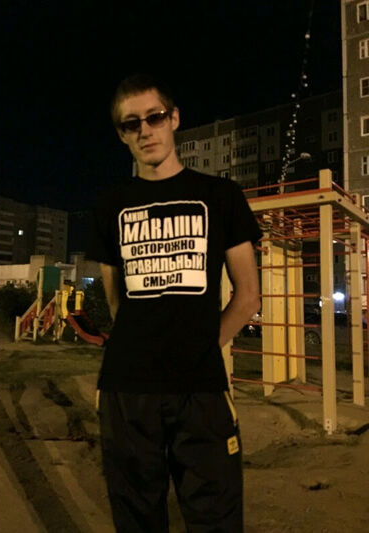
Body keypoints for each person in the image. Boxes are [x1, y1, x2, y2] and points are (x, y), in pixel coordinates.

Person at [86, 73, 262, 533]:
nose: (145, 130)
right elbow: (117, 300)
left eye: (155, 117)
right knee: (137, 520)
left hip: (200, 390)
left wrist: (202, 346)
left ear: (174, 118)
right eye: (131, 124)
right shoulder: (109, 205)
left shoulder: (221, 196)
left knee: (216, 518)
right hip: (127, 392)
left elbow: (248, 296)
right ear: (121, 134)